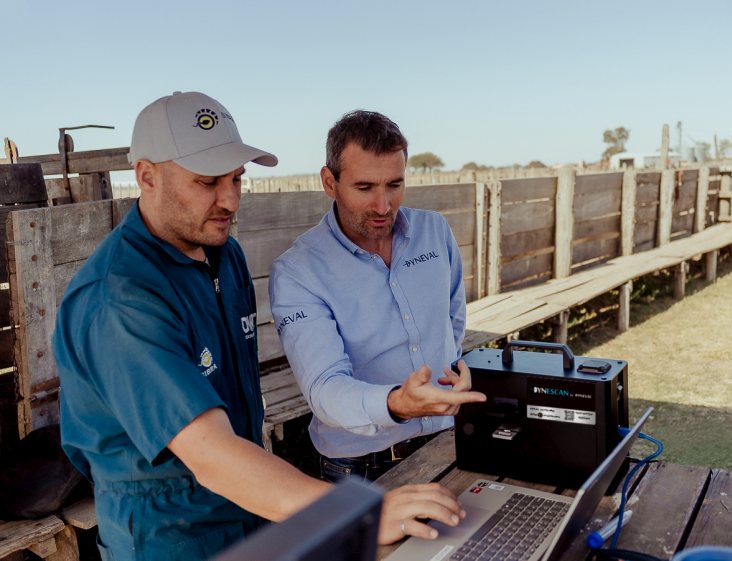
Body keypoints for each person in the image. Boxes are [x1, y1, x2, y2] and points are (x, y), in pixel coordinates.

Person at [53, 92, 467, 561]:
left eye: (237, 178)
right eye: (207, 181)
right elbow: (210, 455)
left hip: (251, 507)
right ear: (146, 177)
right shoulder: (120, 298)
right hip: (167, 533)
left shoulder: (222, 254)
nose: (229, 199)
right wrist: (358, 512)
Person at [269, 110, 486, 483]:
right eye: (365, 188)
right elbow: (325, 388)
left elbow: (452, 318)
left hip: (449, 438)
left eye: (394, 184)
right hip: (362, 466)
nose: (383, 206)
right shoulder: (297, 271)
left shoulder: (434, 230)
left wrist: (448, 370)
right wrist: (397, 405)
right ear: (329, 181)